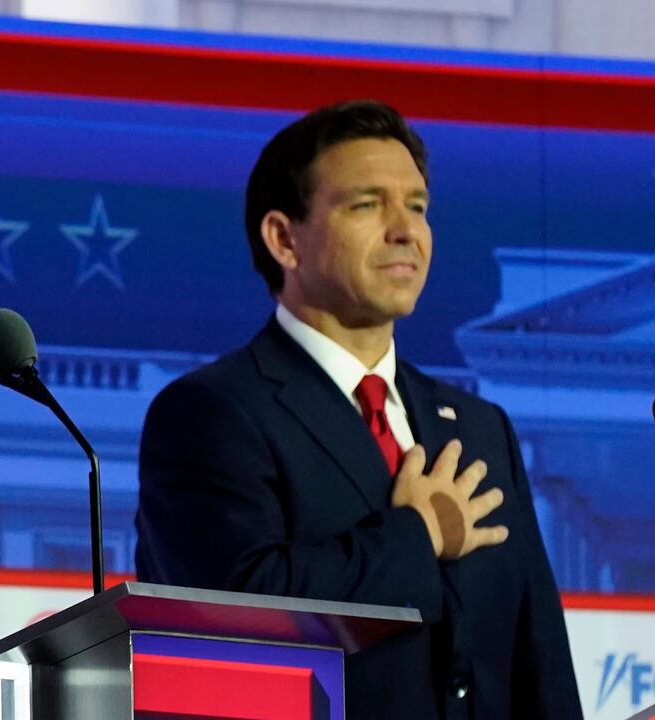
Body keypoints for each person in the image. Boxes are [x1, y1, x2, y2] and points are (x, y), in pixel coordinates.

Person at [134, 100, 583, 719]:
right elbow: (235, 612)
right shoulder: (212, 413)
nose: (406, 230)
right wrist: (418, 537)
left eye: (418, 207)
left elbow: (540, 661)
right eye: (367, 204)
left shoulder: (480, 430)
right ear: (284, 238)